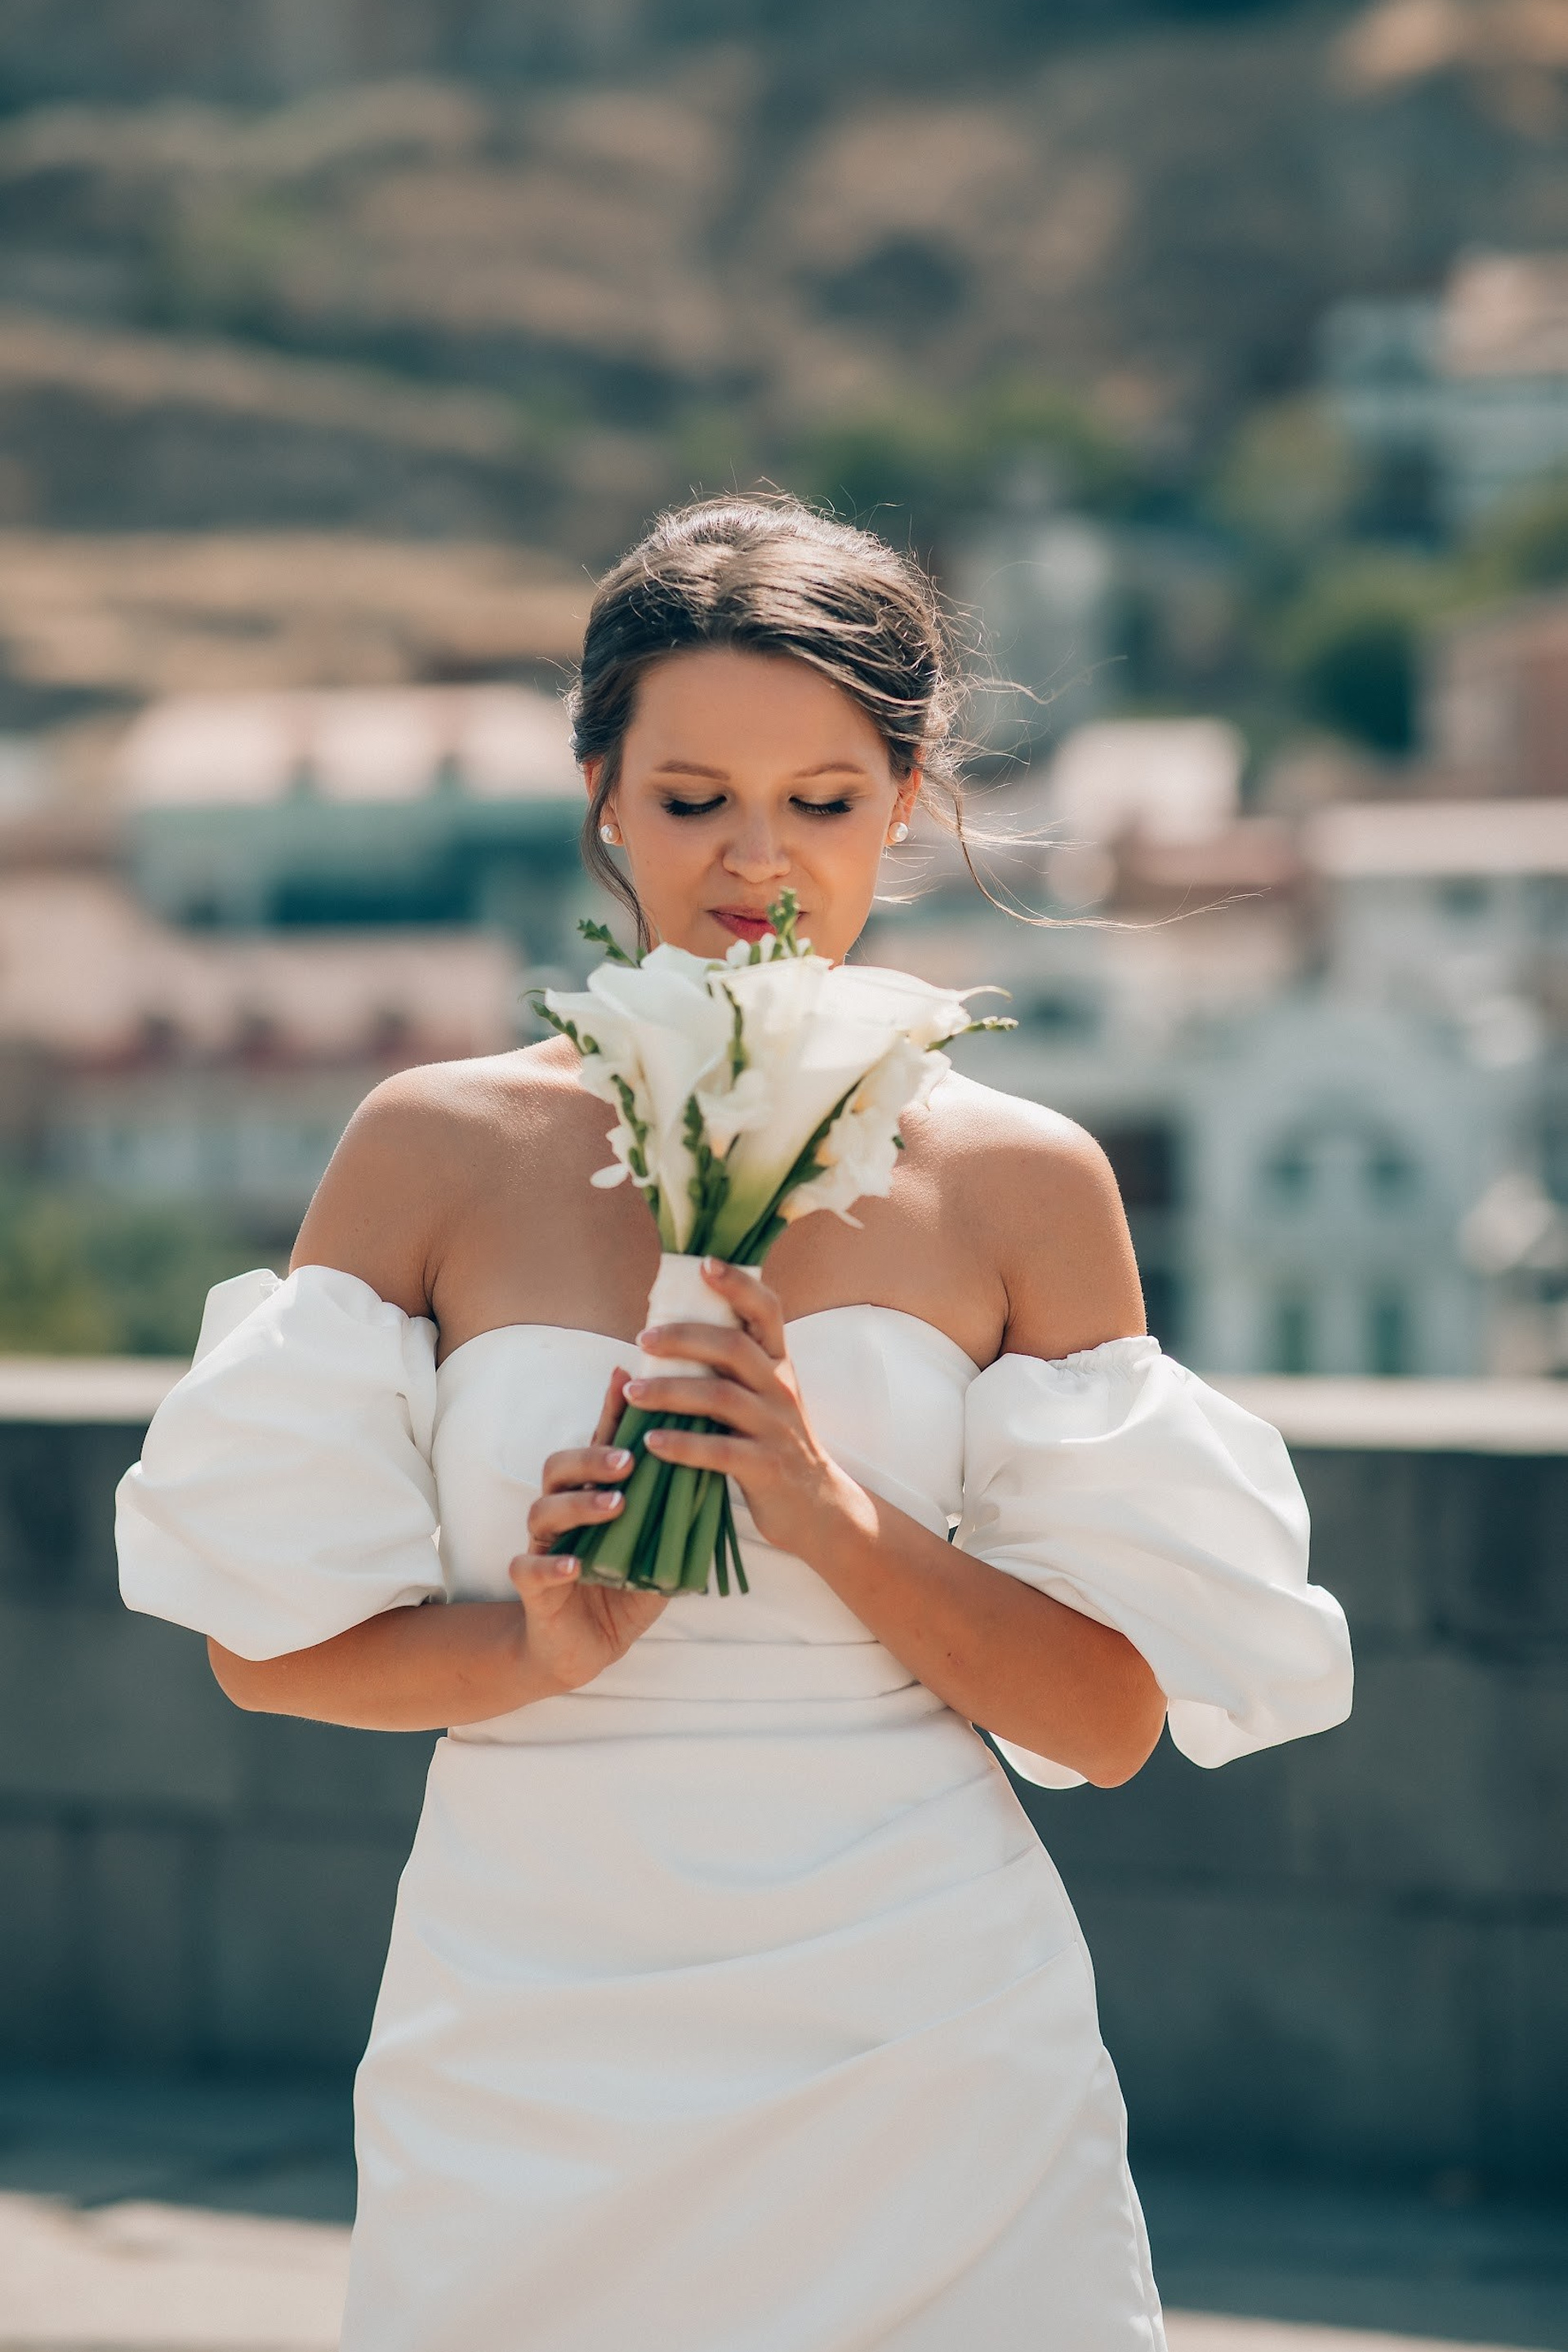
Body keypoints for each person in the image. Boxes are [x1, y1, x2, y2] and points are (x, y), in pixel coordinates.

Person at [118, 495, 1353, 2351]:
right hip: (532, 2017)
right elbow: (268, 1656)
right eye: (692, 799)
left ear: (911, 795)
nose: (754, 861)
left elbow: (1106, 1720)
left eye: (825, 802)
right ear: (600, 787)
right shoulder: (432, 1147)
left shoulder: (1025, 1181)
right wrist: (531, 1645)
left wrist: (830, 1508)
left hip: (922, 2033)